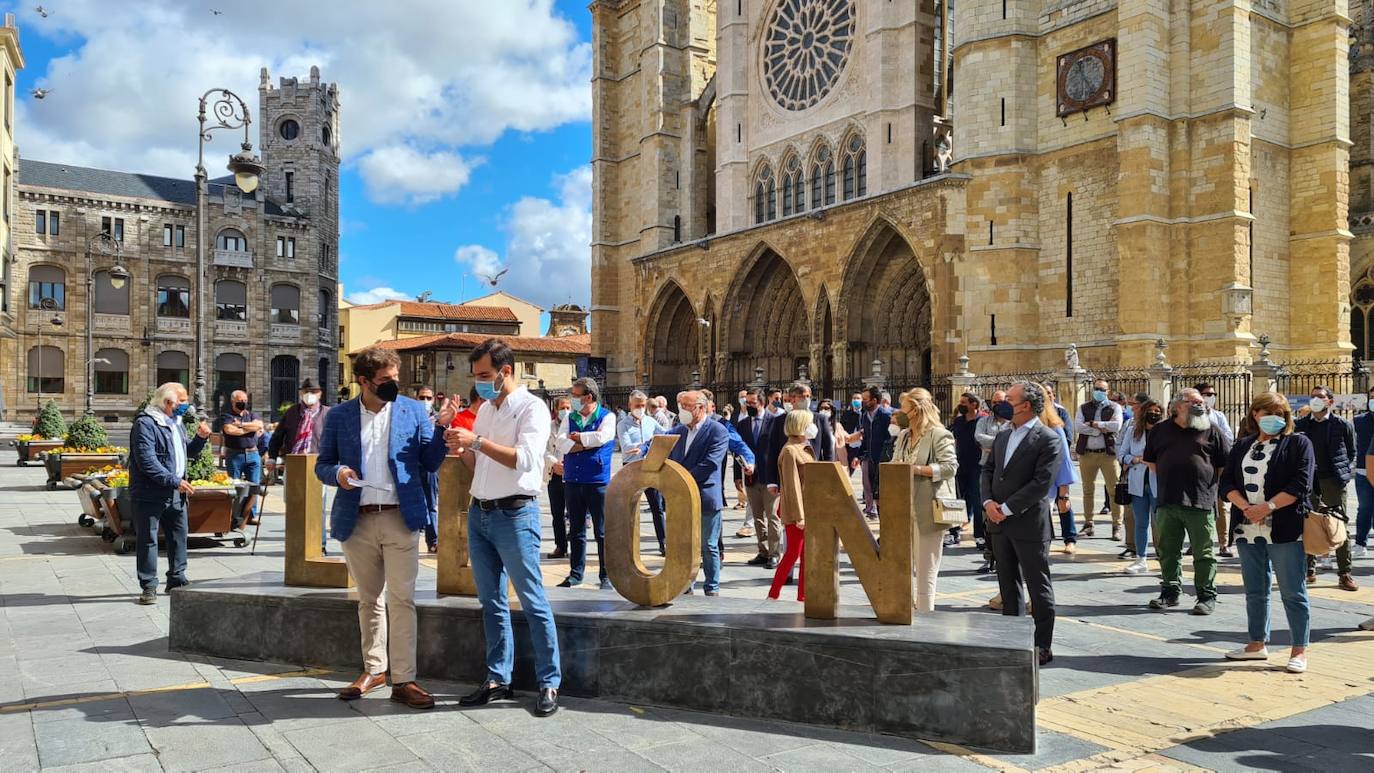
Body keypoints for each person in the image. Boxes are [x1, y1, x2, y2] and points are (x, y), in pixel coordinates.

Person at [315, 346, 454, 709]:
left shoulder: (412, 410)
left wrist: (441, 427)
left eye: (396, 378)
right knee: (368, 600)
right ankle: (375, 670)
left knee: (402, 599)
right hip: (356, 519)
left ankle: (404, 679)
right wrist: (339, 474)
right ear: (363, 381)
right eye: (386, 380)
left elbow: (430, 462)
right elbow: (323, 464)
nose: (394, 384)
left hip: (400, 516)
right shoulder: (341, 416)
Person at [445, 338, 561, 717]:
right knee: (491, 601)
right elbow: (479, 465)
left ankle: (549, 681)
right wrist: (463, 449)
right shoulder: (486, 410)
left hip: (515, 513)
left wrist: (476, 440)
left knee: (532, 599)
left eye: (484, 375)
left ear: (505, 371)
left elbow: (526, 461)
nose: (479, 382)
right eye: (476, 375)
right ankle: (498, 678)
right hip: (480, 511)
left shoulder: (532, 408)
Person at [1220, 392, 1315, 674]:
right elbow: (1226, 482)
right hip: (1247, 526)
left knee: (1292, 590)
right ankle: (1256, 643)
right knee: (1255, 589)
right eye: (1267, 412)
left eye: (1280, 413)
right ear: (1255, 414)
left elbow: (1302, 483)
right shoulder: (1242, 445)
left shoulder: (1298, 443)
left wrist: (1268, 507)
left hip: (1284, 527)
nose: (1274, 418)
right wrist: (1247, 507)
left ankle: (1299, 649)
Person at [980, 381, 1062, 665]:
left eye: (1010, 399)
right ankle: (1011, 638)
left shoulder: (1047, 438)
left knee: (1038, 585)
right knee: (1008, 584)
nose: (1003, 404)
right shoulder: (1003, 435)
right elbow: (988, 471)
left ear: (1025, 405)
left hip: (1028, 523)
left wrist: (1006, 507)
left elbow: (1041, 484)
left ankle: (1042, 644)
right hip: (998, 522)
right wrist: (988, 502)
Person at [1143, 388, 1231, 615]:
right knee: (1168, 549)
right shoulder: (1160, 430)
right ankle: (1170, 592)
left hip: (1201, 502)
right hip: (1168, 500)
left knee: (1204, 553)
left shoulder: (1212, 431)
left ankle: (1206, 596)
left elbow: (1222, 466)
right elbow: (1151, 462)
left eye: (1201, 402)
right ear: (1178, 406)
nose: (1200, 406)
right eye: (1194, 402)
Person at [128, 383, 211, 605]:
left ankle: (177, 578)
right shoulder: (146, 424)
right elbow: (147, 462)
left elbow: (186, 453)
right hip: (150, 493)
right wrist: (174, 481)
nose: (187, 405)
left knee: (179, 537)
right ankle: (148, 586)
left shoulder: (176, 423)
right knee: (148, 540)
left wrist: (201, 439)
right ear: (168, 402)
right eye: (182, 401)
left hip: (175, 493)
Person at [892, 388, 957, 612]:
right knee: (903, 566)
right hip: (902, 507)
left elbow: (950, 468)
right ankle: (905, 612)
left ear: (917, 411)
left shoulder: (939, 434)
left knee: (925, 569)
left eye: (905, 410)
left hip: (928, 508)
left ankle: (926, 617)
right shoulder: (902, 436)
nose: (901, 414)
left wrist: (917, 469)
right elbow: (894, 464)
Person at [660, 390, 730, 595]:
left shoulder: (717, 430)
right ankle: (685, 585)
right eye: (680, 405)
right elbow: (663, 449)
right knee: (683, 544)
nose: (681, 410)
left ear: (701, 407)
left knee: (708, 545)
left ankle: (711, 588)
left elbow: (710, 464)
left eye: (686, 406)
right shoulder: (679, 431)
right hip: (680, 498)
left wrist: (682, 479)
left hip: (705, 496)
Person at [1296, 385, 1358, 590]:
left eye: (1320, 397)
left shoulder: (1342, 424)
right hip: (1308, 481)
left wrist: (1345, 472)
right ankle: (1309, 569)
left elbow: (1352, 452)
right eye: (1313, 397)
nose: (1315, 400)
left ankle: (1344, 572)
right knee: (1308, 524)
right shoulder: (1302, 425)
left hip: (1333, 480)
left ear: (1330, 401)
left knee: (1338, 525)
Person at [557, 377, 617, 590]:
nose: (572, 400)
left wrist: (578, 438)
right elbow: (561, 443)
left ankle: (606, 574)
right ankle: (576, 573)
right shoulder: (569, 417)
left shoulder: (607, 416)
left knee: (601, 531)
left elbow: (603, 437)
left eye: (575, 396)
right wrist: (583, 444)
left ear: (588, 397)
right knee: (576, 529)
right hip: (573, 479)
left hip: (597, 480)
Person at [269, 379, 331, 551]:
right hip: (294, 464)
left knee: (318, 506)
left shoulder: (328, 414)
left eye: (313, 391)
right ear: (301, 394)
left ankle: (320, 543)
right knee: (293, 504)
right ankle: (296, 542)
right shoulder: (292, 413)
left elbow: (337, 440)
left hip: (318, 466)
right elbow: (277, 437)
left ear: (320, 394)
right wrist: (272, 458)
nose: (309, 395)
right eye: (306, 391)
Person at [767, 408, 814, 601]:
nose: (813, 427)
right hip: (796, 510)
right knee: (793, 553)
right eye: (809, 423)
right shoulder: (790, 450)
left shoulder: (803, 447)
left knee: (805, 555)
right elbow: (792, 484)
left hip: (807, 507)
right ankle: (773, 594)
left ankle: (802, 595)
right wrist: (799, 515)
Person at [617, 390, 667, 555]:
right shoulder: (623, 424)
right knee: (630, 507)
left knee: (657, 507)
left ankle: (663, 542)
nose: (640, 408)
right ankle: (628, 543)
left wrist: (651, 445)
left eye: (642, 405)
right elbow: (627, 448)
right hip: (632, 467)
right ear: (630, 405)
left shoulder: (651, 422)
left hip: (651, 466)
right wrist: (646, 444)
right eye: (637, 405)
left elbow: (665, 435)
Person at [1118, 400, 1162, 574]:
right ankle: (1141, 559)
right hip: (1138, 483)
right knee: (1140, 523)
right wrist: (1136, 459)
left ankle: (1165, 556)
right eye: (1150, 411)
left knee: (1161, 522)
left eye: (1157, 411)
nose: (1154, 414)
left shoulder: (1165, 432)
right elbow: (1122, 454)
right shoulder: (1132, 431)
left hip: (1159, 483)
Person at [1076, 379, 1124, 540]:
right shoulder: (1083, 407)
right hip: (1087, 453)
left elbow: (1116, 426)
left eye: (1102, 389)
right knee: (1087, 490)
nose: (1099, 392)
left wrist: (1094, 424)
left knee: (1114, 490)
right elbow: (1078, 426)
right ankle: (1088, 524)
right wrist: (1100, 428)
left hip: (1108, 454)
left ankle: (1117, 525)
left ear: (1107, 391)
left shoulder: (1114, 407)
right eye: (1097, 389)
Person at [1195, 382, 1237, 557]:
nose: (1210, 397)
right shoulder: (1189, 417)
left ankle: (1224, 543)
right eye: (1206, 394)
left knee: (1221, 506)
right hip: (1198, 467)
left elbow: (1228, 437)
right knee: (1197, 505)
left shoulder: (1218, 416)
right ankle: (1197, 541)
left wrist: (1211, 431)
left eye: (1213, 394)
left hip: (1216, 466)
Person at [220, 389, 265, 529]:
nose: (243, 403)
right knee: (235, 487)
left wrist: (240, 425)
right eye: (240, 401)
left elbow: (259, 425)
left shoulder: (251, 414)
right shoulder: (226, 415)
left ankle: (250, 516)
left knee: (254, 486)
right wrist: (250, 429)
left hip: (253, 454)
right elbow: (229, 430)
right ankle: (234, 516)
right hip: (235, 455)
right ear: (233, 401)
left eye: (245, 401)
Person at [974, 390, 1012, 553]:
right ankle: (986, 540)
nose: (996, 405)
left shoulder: (1012, 422)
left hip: (1006, 469)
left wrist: (993, 444)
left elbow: (1012, 438)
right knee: (985, 503)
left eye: (1000, 402)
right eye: (994, 402)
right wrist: (1001, 441)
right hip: (986, 466)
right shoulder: (984, 421)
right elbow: (978, 436)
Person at [949, 391, 983, 546]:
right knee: (957, 499)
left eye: (964, 403)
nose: (960, 405)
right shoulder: (958, 421)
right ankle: (954, 532)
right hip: (960, 464)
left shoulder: (983, 421)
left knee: (977, 500)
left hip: (978, 465)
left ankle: (979, 535)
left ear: (973, 404)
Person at [858, 386, 893, 519]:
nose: (863, 402)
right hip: (870, 458)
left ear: (874, 400)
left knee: (883, 493)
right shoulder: (865, 417)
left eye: (865, 399)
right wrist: (859, 455)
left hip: (883, 460)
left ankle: (885, 522)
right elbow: (865, 437)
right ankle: (875, 515)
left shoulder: (886, 416)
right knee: (873, 491)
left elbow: (890, 438)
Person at [544, 396, 572, 559]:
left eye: (568, 407)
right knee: (557, 513)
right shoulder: (548, 427)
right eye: (562, 407)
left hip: (572, 474)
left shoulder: (575, 426)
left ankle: (575, 546)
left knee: (575, 513)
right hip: (554, 473)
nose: (566, 411)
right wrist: (554, 463)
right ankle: (560, 546)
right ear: (556, 409)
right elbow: (543, 449)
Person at [416, 386, 441, 553]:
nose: (425, 401)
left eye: (428, 398)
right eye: (422, 397)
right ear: (415, 398)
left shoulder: (438, 419)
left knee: (431, 503)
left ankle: (433, 540)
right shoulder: (409, 417)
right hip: (410, 465)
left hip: (430, 467)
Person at [1356, 384, 1374, 558]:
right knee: (1365, 508)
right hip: (1363, 471)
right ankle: (1361, 542)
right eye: (1372, 398)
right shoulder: (1359, 420)